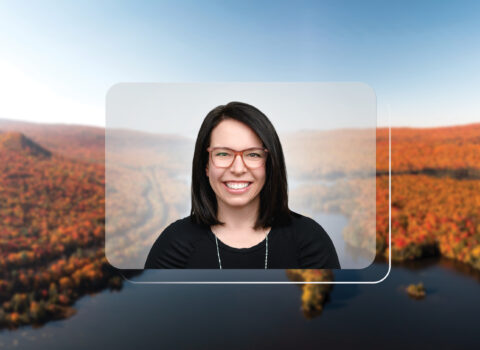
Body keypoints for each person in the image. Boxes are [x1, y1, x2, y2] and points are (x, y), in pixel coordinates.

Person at [145, 102, 340, 269]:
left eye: (253, 154)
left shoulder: (309, 240)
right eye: (223, 154)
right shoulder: (173, 244)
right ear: (205, 165)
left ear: (270, 164)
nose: (238, 169)